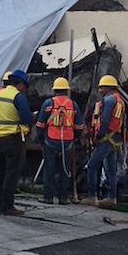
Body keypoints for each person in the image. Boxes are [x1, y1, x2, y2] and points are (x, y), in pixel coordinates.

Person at [0, 69, 34, 216]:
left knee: (0, 172)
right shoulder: (18, 96)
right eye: (24, 86)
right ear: (20, 84)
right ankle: (7, 205)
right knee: (12, 173)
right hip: (13, 139)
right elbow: (27, 118)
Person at [35, 77, 84, 205]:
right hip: (67, 142)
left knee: (49, 169)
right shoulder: (73, 105)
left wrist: (40, 138)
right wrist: (76, 138)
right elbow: (79, 126)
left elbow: (40, 124)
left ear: (55, 90)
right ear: (66, 90)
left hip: (50, 140)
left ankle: (48, 197)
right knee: (65, 170)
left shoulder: (48, 103)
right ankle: (63, 197)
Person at [82, 75, 125, 207]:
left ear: (108, 87)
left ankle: (92, 196)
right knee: (111, 170)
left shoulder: (109, 100)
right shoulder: (119, 100)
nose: (100, 90)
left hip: (106, 138)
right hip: (115, 138)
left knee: (92, 165)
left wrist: (99, 136)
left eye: (102, 87)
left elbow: (105, 120)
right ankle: (112, 197)